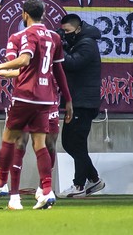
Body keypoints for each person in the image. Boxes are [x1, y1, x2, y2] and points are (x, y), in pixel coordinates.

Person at [0, 0, 74, 211]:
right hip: (47, 98)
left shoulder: (24, 35)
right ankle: (46, 191)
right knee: (40, 144)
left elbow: (24, 60)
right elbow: (58, 71)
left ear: (24, 14)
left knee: (10, 138)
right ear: (43, 14)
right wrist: (68, 100)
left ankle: (0, 183)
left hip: (25, 95)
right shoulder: (54, 37)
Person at [56, 14, 106, 198]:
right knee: (71, 143)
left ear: (77, 29)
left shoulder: (87, 44)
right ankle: (94, 179)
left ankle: (78, 186)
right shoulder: (81, 41)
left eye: (67, 31)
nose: (65, 35)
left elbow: (72, 63)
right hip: (78, 101)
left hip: (83, 103)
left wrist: (59, 48)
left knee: (75, 143)